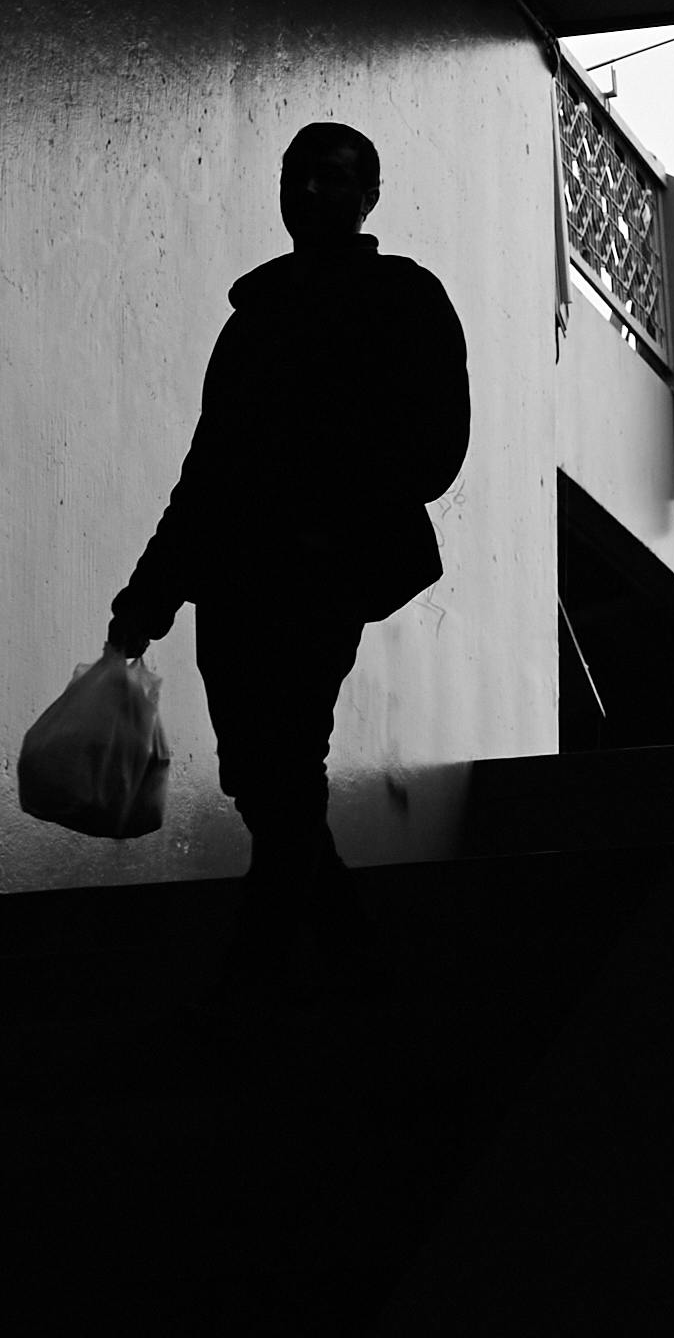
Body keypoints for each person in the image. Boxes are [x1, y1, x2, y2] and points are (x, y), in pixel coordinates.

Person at [106, 123, 470, 1003]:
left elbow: (435, 448)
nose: (307, 191)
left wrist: (332, 531)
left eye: (331, 177)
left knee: (280, 771)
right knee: (266, 779)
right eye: (296, 175)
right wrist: (145, 603)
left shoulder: (397, 299)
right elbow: (207, 472)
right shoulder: (257, 320)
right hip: (237, 580)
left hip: (308, 579)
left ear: (368, 195)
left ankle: (259, 974)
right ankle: (349, 964)